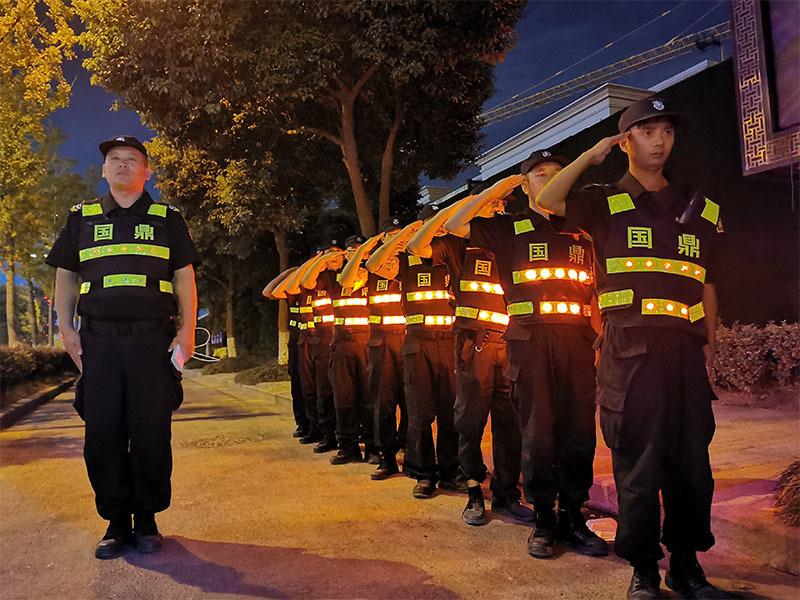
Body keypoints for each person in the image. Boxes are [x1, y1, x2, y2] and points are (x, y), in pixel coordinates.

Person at [536, 97, 726, 599]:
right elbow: (548, 200)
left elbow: (706, 282)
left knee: (691, 467)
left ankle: (685, 566)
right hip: (629, 353)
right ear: (625, 142)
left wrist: (710, 345)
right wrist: (589, 155)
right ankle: (643, 568)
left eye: (666, 131)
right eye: (646, 131)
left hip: (685, 354)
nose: (659, 141)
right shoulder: (604, 202)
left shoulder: (700, 208)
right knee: (638, 467)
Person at [446, 151, 606, 560]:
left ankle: (573, 517)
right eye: (540, 174)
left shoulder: (582, 228)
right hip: (529, 343)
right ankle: (544, 520)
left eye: (556, 173)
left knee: (579, 434)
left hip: (577, 343)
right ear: (525, 184)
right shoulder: (509, 228)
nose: (550, 179)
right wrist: (496, 191)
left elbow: (597, 287)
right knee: (537, 434)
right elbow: (454, 225)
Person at [47, 136, 199, 559]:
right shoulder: (82, 217)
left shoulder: (167, 218)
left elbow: (184, 276)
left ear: (146, 172)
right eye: (114, 159)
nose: (122, 165)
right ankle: (115, 522)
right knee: (103, 433)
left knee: (151, 431)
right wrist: (66, 328)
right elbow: (66, 275)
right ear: (103, 170)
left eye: (132, 159)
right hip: (99, 341)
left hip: (152, 341)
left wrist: (187, 331)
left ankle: (146, 518)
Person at [407, 194, 531, 526]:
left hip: (510, 343)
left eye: (501, 204)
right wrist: (480, 198)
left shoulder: (510, 238)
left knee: (509, 423)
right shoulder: (456, 244)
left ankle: (506, 494)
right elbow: (418, 246)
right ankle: (474, 491)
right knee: (470, 420)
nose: (498, 207)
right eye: (492, 204)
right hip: (474, 345)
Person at [366, 207, 466, 499]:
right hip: (417, 343)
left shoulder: (453, 251)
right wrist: (406, 234)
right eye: (432, 224)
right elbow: (374, 264)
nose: (438, 229)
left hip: (449, 340)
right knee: (419, 412)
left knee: (449, 411)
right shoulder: (405, 258)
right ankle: (423, 474)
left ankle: (450, 471)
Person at [339, 217, 408, 481]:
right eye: (390, 237)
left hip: (410, 341)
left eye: (400, 236)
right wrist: (364, 251)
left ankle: (411, 453)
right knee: (384, 403)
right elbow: (346, 280)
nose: (396, 241)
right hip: (381, 345)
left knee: (412, 405)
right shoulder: (370, 272)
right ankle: (386, 458)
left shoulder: (413, 262)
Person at [301, 236, 378, 465]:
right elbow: (306, 282)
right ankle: (347, 448)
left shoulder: (374, 272)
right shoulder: (334, 277)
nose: (355, 254)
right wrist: (322, 259)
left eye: (359, 250)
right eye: (350, 251)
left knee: (368, 398)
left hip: (367, 343)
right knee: (344, 398)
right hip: (341, 344)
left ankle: (372, 448)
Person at [282, 246, 339, 453]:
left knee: (335, 391)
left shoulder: (343, 277)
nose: (332, 258)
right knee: (313, 389)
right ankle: (317, 430)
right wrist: (309, 265)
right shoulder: (313, 281)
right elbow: (277, 290)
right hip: (312, 340)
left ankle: (336, 433)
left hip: (336, 340)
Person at [263, 267, 306, 439]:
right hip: (295, 343)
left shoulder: (314, 286)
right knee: (297, 385)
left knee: (312, 388)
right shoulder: (291, 292)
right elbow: (267, 292)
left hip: (312, 343)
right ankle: (302, 424)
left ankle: (314, 425)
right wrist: (284, 275)